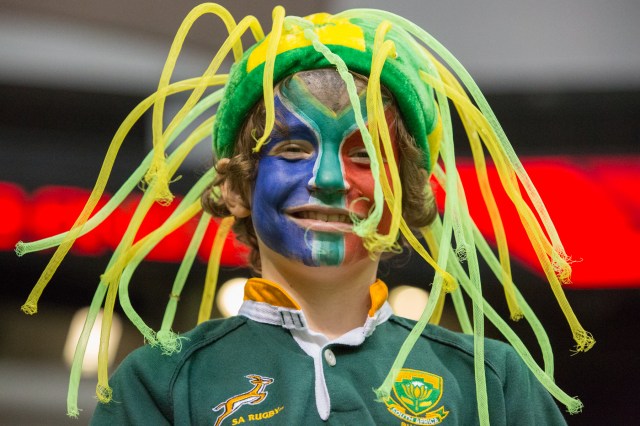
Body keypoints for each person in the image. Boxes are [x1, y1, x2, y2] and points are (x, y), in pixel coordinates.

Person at [18, 4, 593, 425]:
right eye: (292, 149)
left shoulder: (492, 383)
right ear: (238, 189)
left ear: (406, 197)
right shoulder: (160, 383)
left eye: (365, 154)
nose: (328, 179)